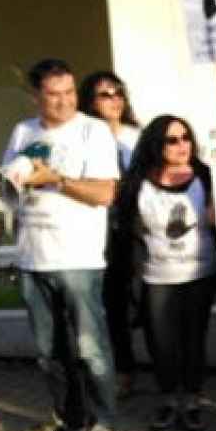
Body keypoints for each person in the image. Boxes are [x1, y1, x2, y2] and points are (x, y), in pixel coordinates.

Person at [4, 58, 123, 431]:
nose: (63, 101)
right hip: (32, 256)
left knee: (89, 347)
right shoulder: (23, 130)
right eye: (53, 94)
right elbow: (7, 186)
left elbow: (104, 194)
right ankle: (66, 414)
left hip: (78, 256)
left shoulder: (93, 131)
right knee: (47, 349)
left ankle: (103, 421)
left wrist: (56, 179)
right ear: (35, 96)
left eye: (69, 92)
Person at [111, 115, 216, 431]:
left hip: (199, 271)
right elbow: (126, 230)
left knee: (194, 340)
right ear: (156, 144)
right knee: (161, 342)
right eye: (172, 140)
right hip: (157, 275)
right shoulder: (138, 182)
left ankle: (193, 401)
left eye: (185, 137)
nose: (182, 145)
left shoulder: (206, 176)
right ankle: (169, 400)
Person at [79, 71, 144, 393]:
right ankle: (122, 369)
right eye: (106, 94)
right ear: (90, 101)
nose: (115, 100)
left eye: (119, 93)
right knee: (113, 301)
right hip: (102, 229)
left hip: (138, 227)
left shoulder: (136, 137)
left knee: (146, 299)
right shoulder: (84, 136)